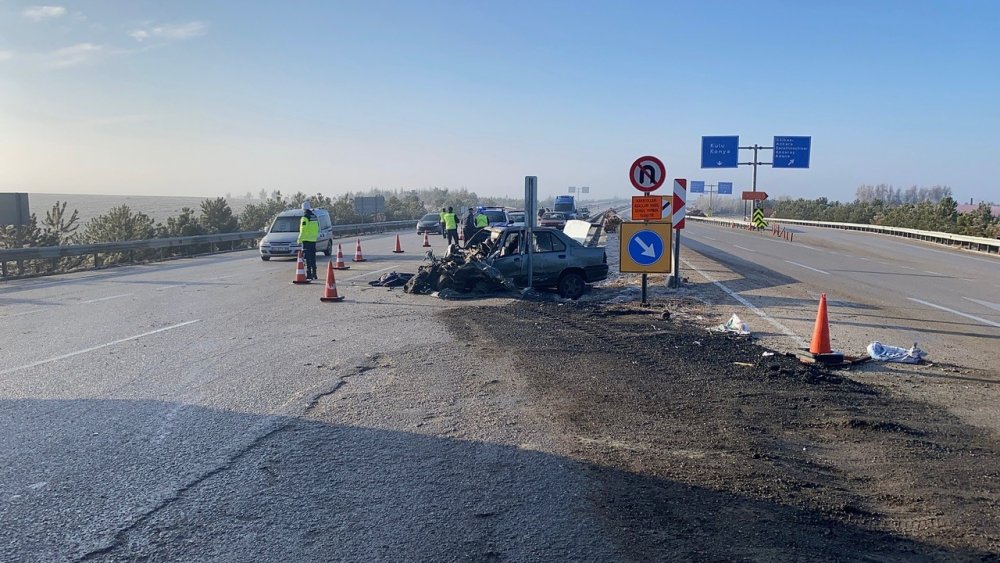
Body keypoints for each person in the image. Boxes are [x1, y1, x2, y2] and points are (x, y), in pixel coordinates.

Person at [298, 201, 319, 279]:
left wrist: (299, 239)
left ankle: (309, 274)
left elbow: (303, 230)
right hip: (313, 240)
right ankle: (314, 274)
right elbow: (317, 228)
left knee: (307, 258)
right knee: (313, 257)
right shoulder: (314, 217)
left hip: (306, 240)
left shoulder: (305, 217)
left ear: (303, 209)